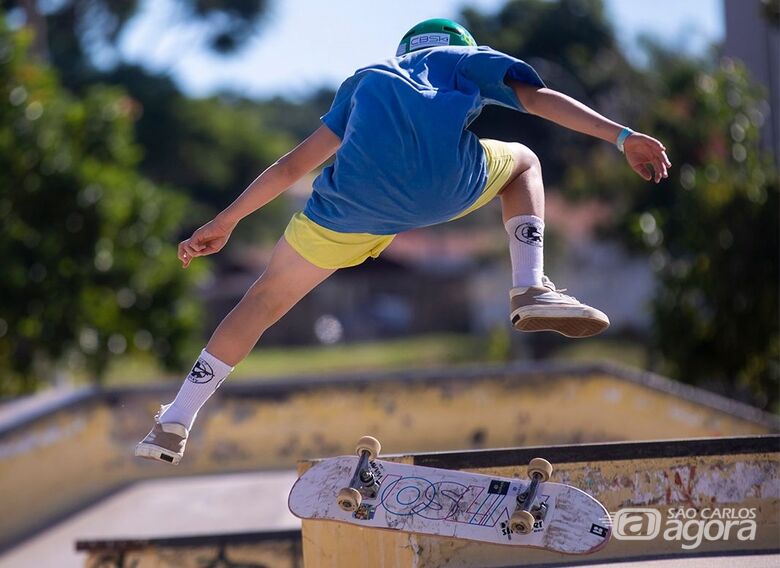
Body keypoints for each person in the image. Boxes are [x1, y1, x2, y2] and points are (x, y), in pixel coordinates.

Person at [136, 19, 671, 464]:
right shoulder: (466, 58)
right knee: (523, 161)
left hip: (349, 206)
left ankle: (177, 420)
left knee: (263, 299)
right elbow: (538, 99)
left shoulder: (366, 78)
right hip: (442, 188)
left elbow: (294, 165)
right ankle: (529, 286)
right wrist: (621, 136)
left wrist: (225, 222)